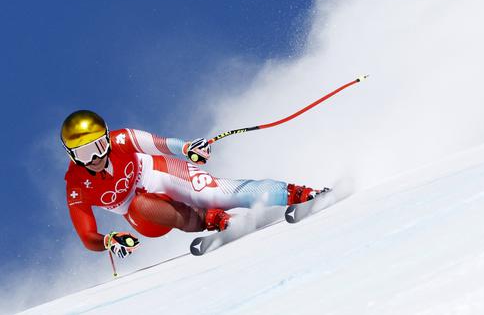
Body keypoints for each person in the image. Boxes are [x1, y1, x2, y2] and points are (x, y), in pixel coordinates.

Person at [62, 110, 322, 259]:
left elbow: (158, 143)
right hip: (140, 212)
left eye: (98, 147)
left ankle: (298, 194)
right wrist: (109, 240)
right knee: (141, 206)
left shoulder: (121, 140)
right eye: (83, 154)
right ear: (72, 156)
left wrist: (187, 148)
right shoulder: (76, 184)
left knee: (214, 192)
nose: (94, 159)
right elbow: (87, 236)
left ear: (107, 138)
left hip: (155, 172)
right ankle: (215, 220)